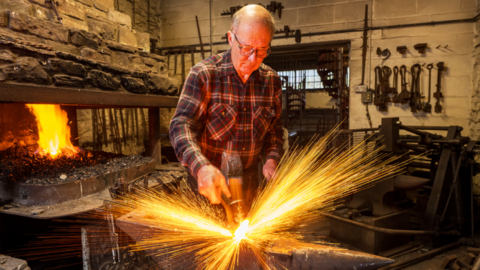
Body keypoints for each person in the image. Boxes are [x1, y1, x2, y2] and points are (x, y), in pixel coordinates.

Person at [169, 4, 284, 208]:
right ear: (231, 38)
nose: (252, 59)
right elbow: (181, 126)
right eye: (247, 48)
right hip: (209, 181)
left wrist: (272, 159)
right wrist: (201, 167)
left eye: (261, 51)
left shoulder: (272, 81)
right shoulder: (203, 74)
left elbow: (274, 129)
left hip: (250, 181)